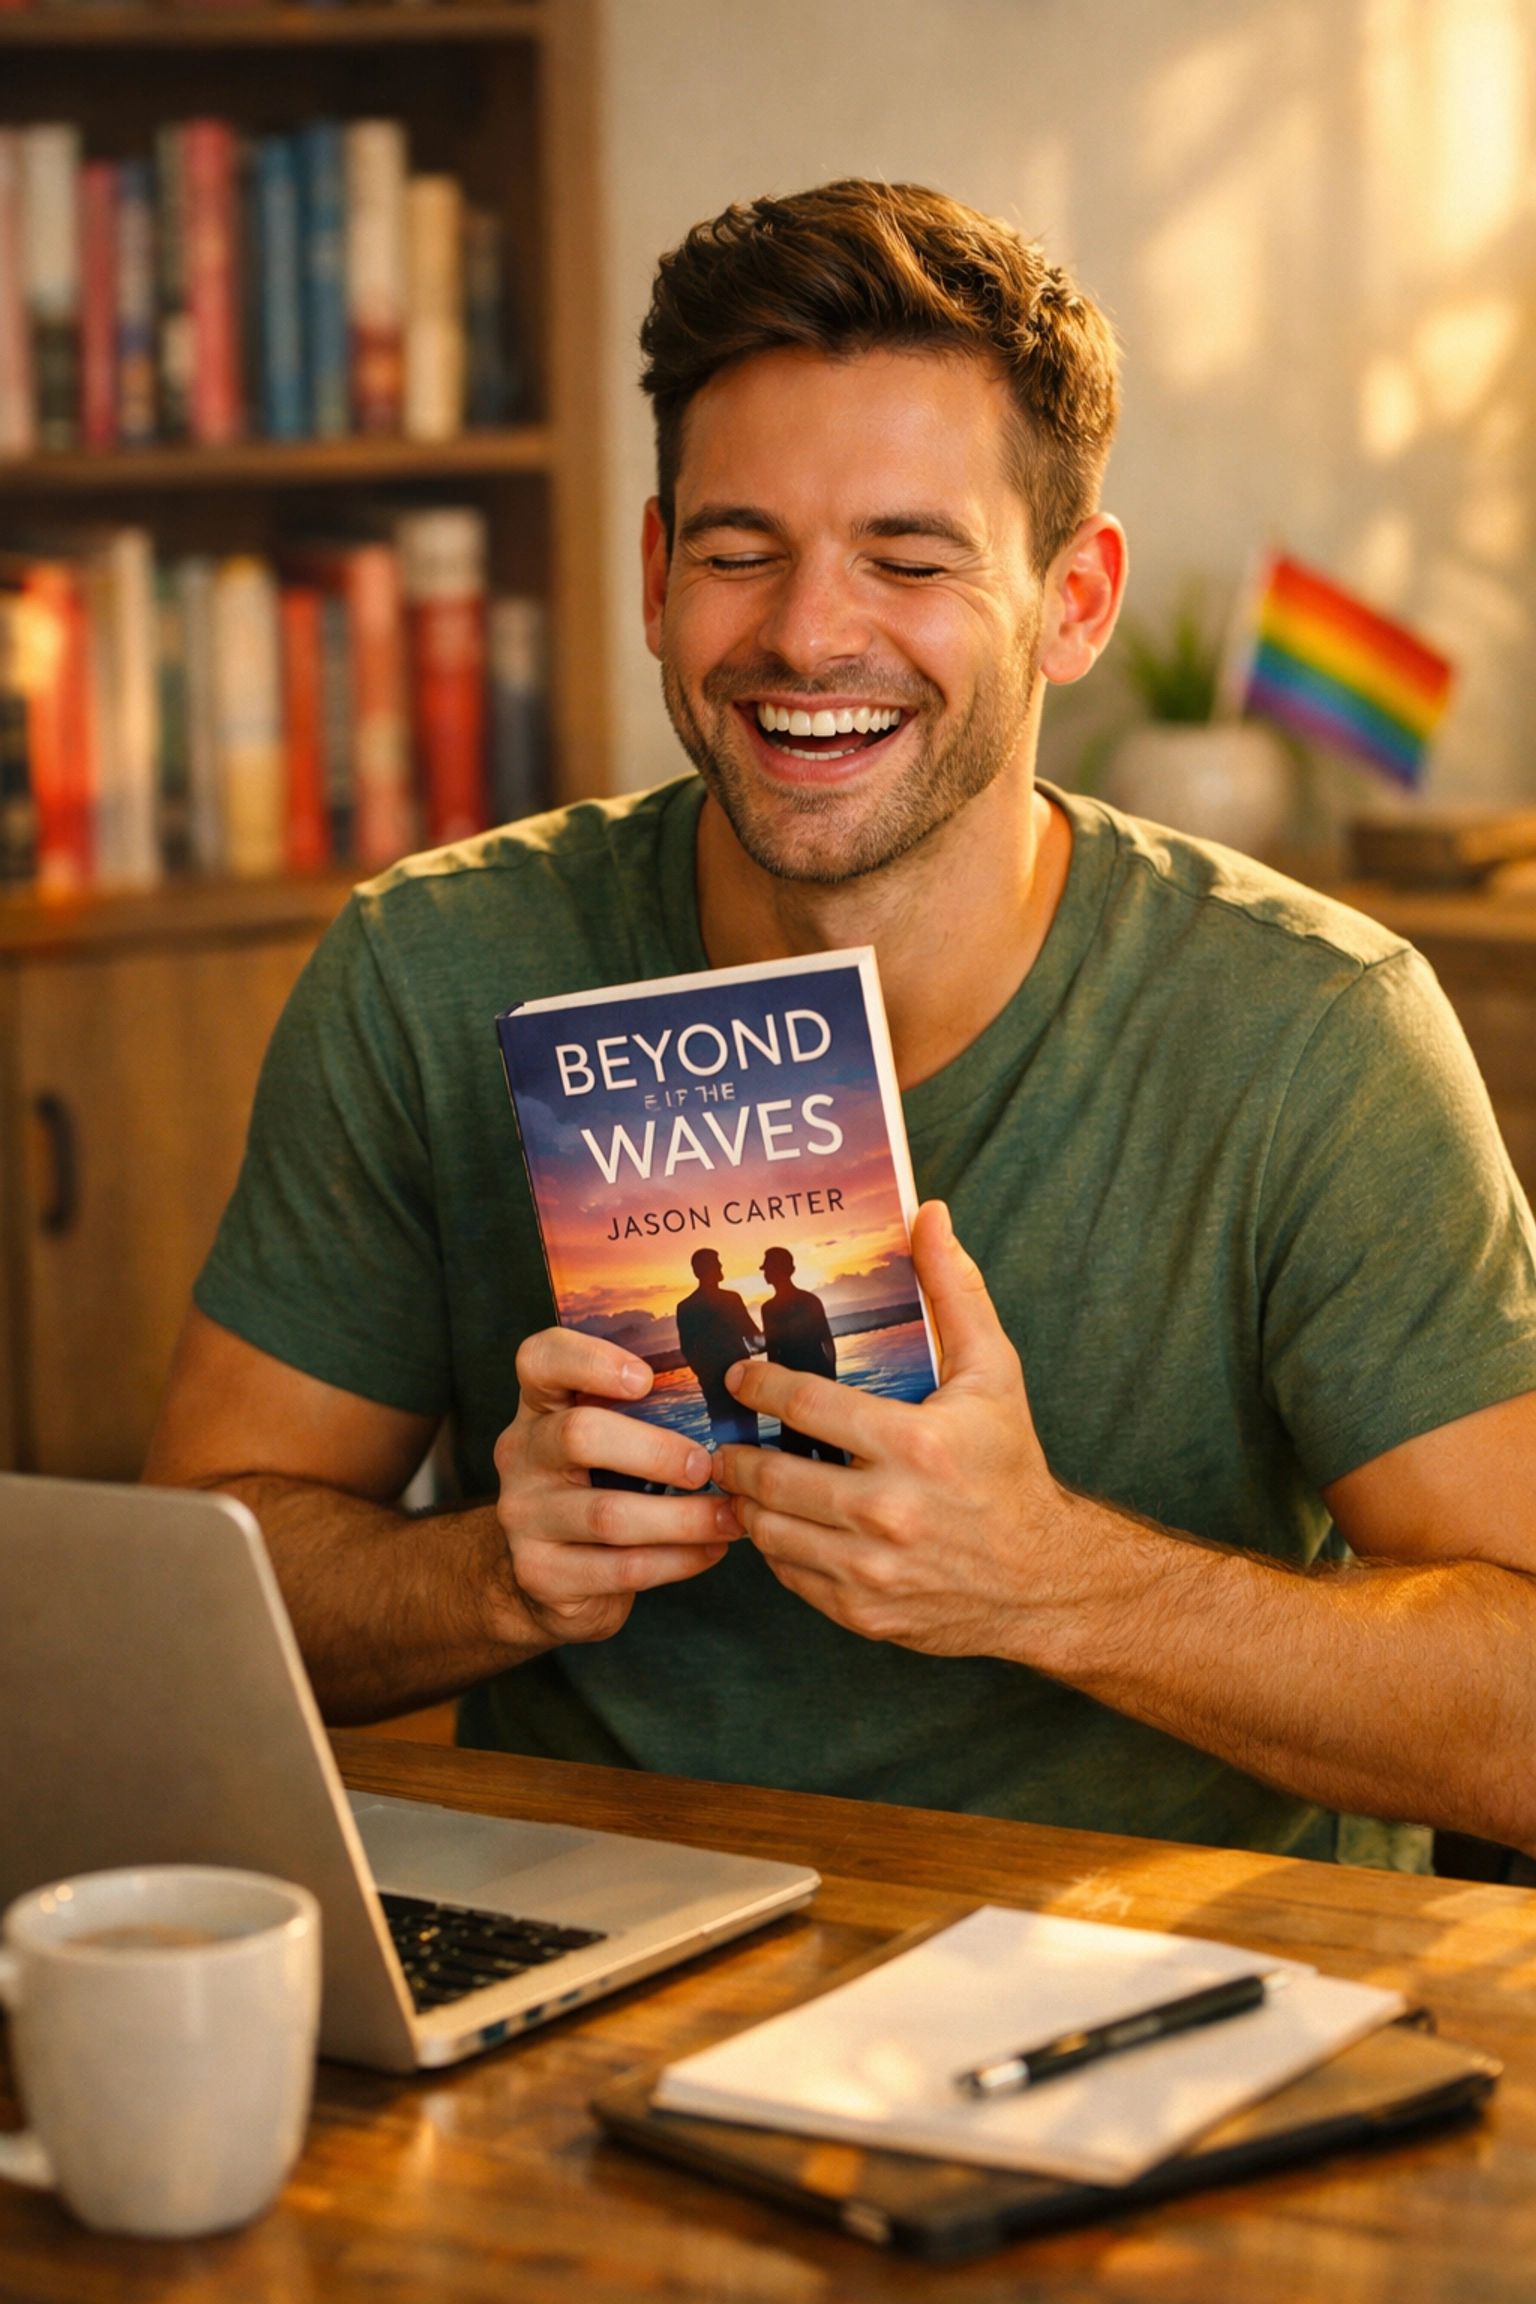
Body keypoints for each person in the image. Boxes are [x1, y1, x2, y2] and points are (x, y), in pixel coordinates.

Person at [146, 179, 1536, 1866]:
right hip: (592, 1983)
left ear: (1075, 602)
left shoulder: (1317, 1030)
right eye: (740, 550)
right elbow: (197, 1583)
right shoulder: (431, 964)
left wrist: (1054, 1579)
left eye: (909, 555)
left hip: (1165, 2008)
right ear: (658, 575)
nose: (808, 633)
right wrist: (491, 1570)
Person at [757, 1248, 846, 1464]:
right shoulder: (809, 1300)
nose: (765, 1273)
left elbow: (773, 1354)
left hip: (791, 1384)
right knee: (829, 1447)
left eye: (767, 1268)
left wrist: (775, 1390)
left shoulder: (770, 1309)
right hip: (817, 1376)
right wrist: (831, 1377)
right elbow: (827, 1341)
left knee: (799, 1453)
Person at [675, 1249, 761, 1448]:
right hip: (739, 1379)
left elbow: (687, 1350)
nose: (721, 1266)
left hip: (716, 1384)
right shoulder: (731, 1299)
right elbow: (754, 1337)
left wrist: (706, 1377)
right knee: (749, 1437)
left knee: (725, 1441)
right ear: (702, 1270)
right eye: (716, 1263)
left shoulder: (686, 1307)